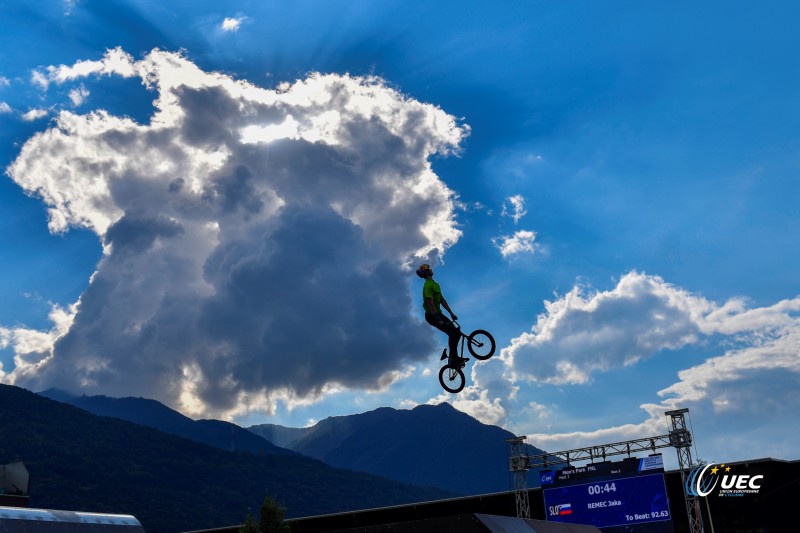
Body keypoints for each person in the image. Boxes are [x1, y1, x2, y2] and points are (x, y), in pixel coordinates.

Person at [416, 263, 467, 367]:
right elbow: (430, 302)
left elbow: (442, 300)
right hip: (432, 316)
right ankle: (453, 360)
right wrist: (436, 317)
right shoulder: (427, 286)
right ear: (426, 272)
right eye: (429, 269)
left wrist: (451, 313)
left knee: (456, 332)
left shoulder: (435, 284)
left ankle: (453, 358)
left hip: (439, 313)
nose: (431, 269)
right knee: (453, 333)